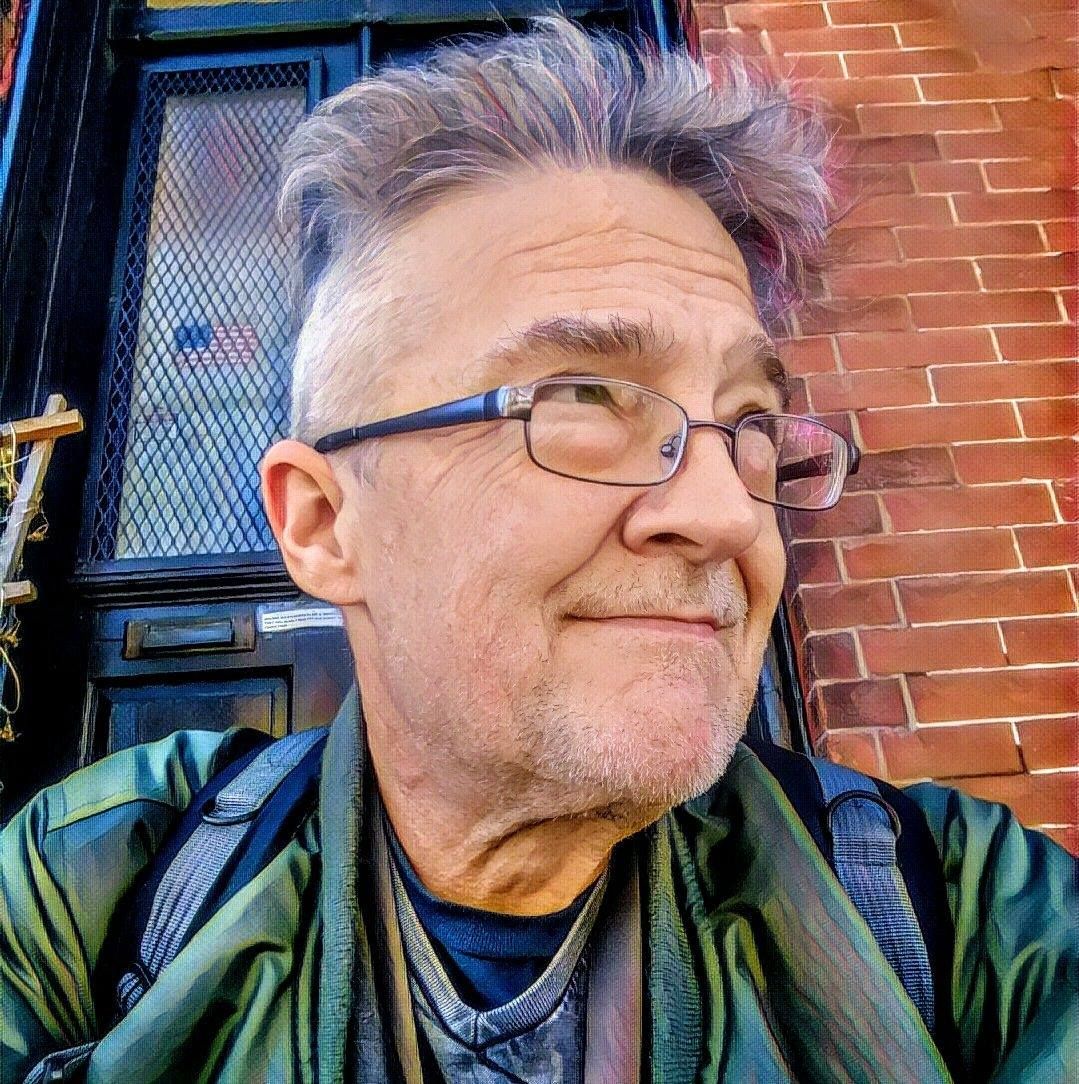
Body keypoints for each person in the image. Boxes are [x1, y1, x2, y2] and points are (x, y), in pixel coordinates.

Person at [1, 16, 1075, 1084]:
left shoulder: (952, 912)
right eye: (583, 399)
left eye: (748, 423)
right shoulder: (96, 883)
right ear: (324, 524)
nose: (726, 514)